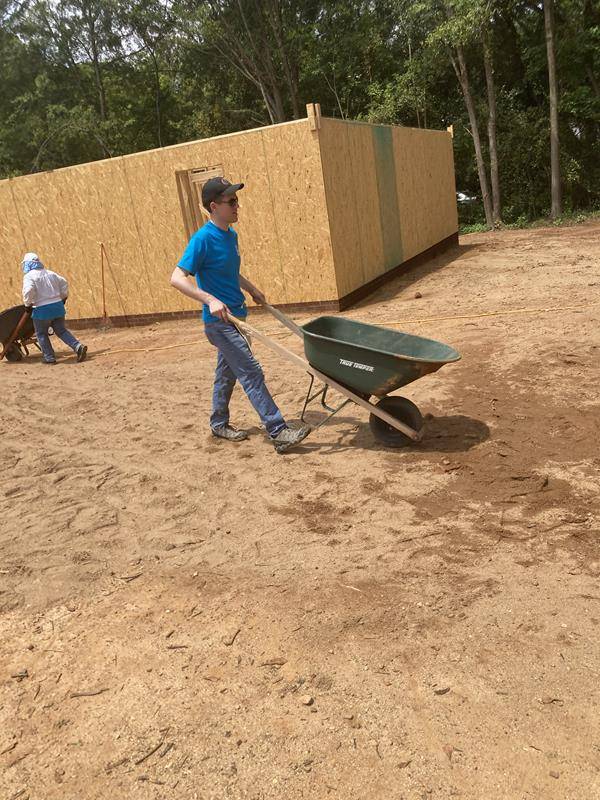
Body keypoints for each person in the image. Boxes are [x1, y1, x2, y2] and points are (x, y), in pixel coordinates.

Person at [170, 177, 310, 454]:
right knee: (251, 372)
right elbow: (177, 278)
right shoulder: (202, 239)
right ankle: (278, 430)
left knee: (227, 374)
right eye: (231, 201)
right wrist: (210, 299)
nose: (237, 205)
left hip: (238, 317)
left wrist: (252, 288)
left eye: (236, 200)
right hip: (220, 323)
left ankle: (218, 422)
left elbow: (229, 270)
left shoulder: (230, 235)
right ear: (214, 206)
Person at [21, 253, 87, 365]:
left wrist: (27, 304)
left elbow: (28, 290)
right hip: (58, 307)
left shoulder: (29, 276)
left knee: (41, 334)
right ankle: (78, 346)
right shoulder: (51, 273)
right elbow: (64, 283)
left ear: (27, 264)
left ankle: (49, 358)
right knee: (61, 331)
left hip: (42, 309)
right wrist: (63, 297)